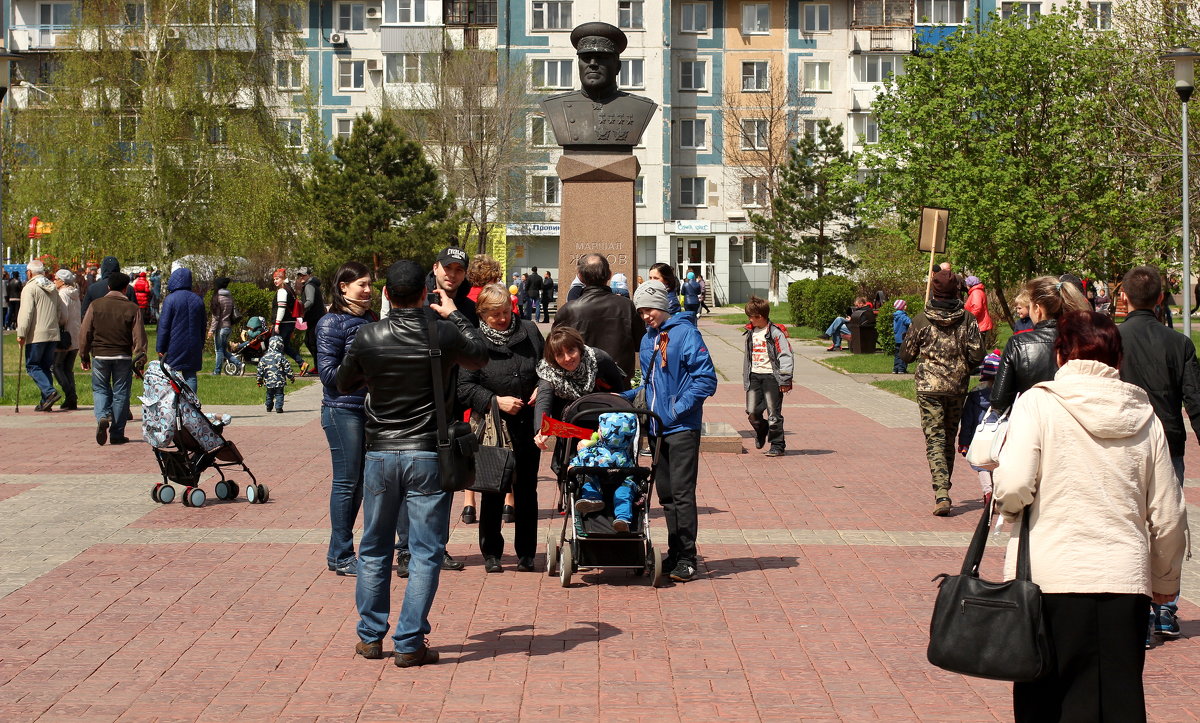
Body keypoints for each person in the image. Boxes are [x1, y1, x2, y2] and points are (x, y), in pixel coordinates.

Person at [993, 311, 1187, 722]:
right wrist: (1166, 580)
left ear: (1060, 356)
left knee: (1045, 698)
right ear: (1117, 360)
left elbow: (1012, 485)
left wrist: (1010, 510)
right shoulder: (1144, 414)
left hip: (1050, 577)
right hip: (1124, 580)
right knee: (1118, 699)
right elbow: (1168, 512)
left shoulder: (1038, 403)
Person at [335, 259, 488, 668]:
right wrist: (454, 314)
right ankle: (408, 641)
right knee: (425, 551)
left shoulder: (369, 336)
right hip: (426, 452)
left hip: (381, 451)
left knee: (373, 546)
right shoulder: (442, 331)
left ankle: (370, 637)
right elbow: (481, 356)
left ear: (386, 294)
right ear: (424, 294)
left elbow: (342, 382)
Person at [1117, 265, 1200, 641]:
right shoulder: (1178, 343)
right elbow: (1195, 401)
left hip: (1124, 442)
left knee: (1129, 524)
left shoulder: (1113, 339)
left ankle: (1138, 612)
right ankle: (1164, 608)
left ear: (1124, 298)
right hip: (1168, 443)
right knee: (1166, 527)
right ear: (1161, 299)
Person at [622, 280, 717, 582]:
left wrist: (676, 409)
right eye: (641, 312)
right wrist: (625, 397)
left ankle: (688, 557)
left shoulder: (685, 333)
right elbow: (652, 383)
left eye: (648, 310)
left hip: (682, 427)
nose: (645, 316)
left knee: (682, 493)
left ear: (661, 305)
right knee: (665, 496)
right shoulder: (650, 338)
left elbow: (706, 379)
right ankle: (675, 552)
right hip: (657, 428)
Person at [394, 246, 477, 575]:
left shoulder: (468, 309)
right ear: (436, 268)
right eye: (447, 268)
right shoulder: (419, 303)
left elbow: (476, 352)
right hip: (415, 407)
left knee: (446, 478)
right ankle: (404, 549)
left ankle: (435, 546)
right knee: (408, 480)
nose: (452, 274)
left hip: (452, 407)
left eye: (458, 269)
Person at [457, 284, 545, 573]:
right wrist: (495, 401)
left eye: (506, 312)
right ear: (482, 315)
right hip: (493, 426)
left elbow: (547, 368)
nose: (503, 319)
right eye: (495, 315)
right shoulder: (474, 340)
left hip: (527, 424)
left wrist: (541, 390)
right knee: (493, 490)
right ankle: (492, 553)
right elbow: (464, 386)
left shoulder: (530, 331)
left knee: (526, 489)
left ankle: (527, 553)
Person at [899, 269, 986, 516]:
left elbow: (906, 354)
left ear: (934, 290)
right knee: (948, 437)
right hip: (956, 386)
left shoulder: (920, 320)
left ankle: (941, 492)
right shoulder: (968, 320)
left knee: (934, 438)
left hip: (929, 387)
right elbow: (977, 355)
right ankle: (944, 487)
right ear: (956, 290)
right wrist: (963, 366)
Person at [316, 261, 377, 577]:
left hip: (368, 410)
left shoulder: (370, 320)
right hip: (342, 411)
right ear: (343, 287)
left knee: (362, 484)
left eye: (370, 285)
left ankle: (341, 552)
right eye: (362, 285)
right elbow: (327, 374)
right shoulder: (331, 323)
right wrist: (360, 361)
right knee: (346, 482)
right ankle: (340, 554)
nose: (368, 291)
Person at [989, 276, 1090, 415]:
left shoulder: (1017, 344)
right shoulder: (1083, 340)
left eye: (1029, 306)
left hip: (1029, 423)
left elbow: (998, 400)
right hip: (1073, 424)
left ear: (1037, 309)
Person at [551, 253, 644, 387]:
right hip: (617, 386)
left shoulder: (568, 310)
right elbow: (640, 342)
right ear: (609, 274)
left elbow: (554, 350)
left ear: (580, 277)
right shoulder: (626, 306)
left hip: (582, 389)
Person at [533, 326, 630, 453]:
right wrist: (541, 429)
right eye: (560, 355)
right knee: (570, 462)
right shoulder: (548, 370)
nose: (567, 358)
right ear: (553, 358)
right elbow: (544, 399)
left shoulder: (598, 359)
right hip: (569, 424)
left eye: (571, 351)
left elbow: (618, 389)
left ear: (580, 348)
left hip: (600, 420)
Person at [79, 272, 147, 446]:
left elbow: (85, 331)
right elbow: (139, 337)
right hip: (123, 356)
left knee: (100, 389)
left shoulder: (96, 305)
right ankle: (117, 433)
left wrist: (84, 355)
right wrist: (140, 361)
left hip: (100, 355)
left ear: (108, 286)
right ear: (126, 288)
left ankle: (102, 416)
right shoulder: (132, 308)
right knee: (121, 393)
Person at [570, 412, 640, 532]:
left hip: (602, 481)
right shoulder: (624, 454)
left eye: (600, 429)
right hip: (622, 482)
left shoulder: (607, 455)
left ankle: (592, 498)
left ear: (605, 433)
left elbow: (590, 463)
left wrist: (582, 452)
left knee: (589, 481)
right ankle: (622, 519)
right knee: (623, 496)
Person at [742, 295, 793, 457]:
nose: (750, 319)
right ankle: (762, 429)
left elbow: (786, 355)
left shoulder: (775, 333)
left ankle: (777, 445)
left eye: (752, 317)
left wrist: (784, 379)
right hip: (754, 377)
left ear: (761, 316)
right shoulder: (751, 332)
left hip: (771, 377)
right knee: (752, 412)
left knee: (773, 413)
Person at [16, 260, 66, 411]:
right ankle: (46, 401)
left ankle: (49, 392)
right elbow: (59, 311)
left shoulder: (30, 288)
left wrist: (21, 333)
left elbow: (26, 312)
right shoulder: (53, 288)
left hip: (36, 334)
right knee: (45, 366)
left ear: (30, 273)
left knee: (32, 366)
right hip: (52, 333)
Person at [955, 349, 1002, 509]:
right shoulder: (1005, 395)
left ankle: (987, 492)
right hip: (999, 437)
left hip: (978, 436)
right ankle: (996, 494)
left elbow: (967, 420)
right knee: (996, 464)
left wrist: (964, 442)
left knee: (982, 465)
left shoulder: (975, 395)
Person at [156, 267, 207, 393]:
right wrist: (201, 343)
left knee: (169, 375)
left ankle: (173, 404)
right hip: (193, 344)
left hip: (174, 344)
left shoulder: (170, 299)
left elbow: (164, 326)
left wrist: (160, 347)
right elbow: (203, 325)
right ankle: (191, 405)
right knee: (190, 375)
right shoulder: (198, 300)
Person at [52, 269, 82, 410]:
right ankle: (72, 399)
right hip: (75, 334)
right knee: (68, 369)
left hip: (65, 336)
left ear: (62, 281)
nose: (54, 280)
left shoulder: (62, 293)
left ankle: (70, 395)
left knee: (56, 366)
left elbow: (63, 316)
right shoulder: (75, 294)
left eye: (56, 278)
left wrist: (56, 323)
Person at [270, 267, 306, 372]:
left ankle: (279, 369)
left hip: (283, 323)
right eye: (274, 279)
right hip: (290, 322)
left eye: (277, 278)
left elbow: (281, 309)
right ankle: (302, 363)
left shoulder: (282, 291)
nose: (275, 281)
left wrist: (277, 324)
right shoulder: (290, 289)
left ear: (282, 278)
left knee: (275, 346)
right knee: (285, 346)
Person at [207, 277, 242, 376]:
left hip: (221, 328)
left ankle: (217, 371)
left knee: (219, 350)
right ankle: (238, 363)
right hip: (228, 327)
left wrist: (211, 330)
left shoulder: (217, 297)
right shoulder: (229, 296)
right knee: (222, 350)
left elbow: (216, 317)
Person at [297, 267, 326, 371]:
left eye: (303, 275)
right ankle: (318, 366)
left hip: (314, 319)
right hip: (316, 318)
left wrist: (300, 309)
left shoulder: (309, 285)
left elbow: (310, 301)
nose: (301, 277)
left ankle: (319, 367)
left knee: (312, 342)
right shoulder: (312, 284)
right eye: (300, 275)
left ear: (309, 275)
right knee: (311, 342)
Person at [256, 335, 295, 412]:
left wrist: (259, 379)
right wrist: (291, 377)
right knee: (279, 394)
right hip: (279, 380)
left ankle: (268, 406)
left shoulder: (264, 357)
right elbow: (287, 368)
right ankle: (278, 407)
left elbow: (260, 369)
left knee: (269, 393)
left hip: (268, 380)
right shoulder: (281, 357)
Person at [963, 275, 995, 349]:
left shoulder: (976, 292)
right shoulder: (978, 292)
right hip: (981, 324)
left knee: (977, 350)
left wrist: (969, 319)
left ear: (970, 284)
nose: (966, 286)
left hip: (980, 325)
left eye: (967, 284)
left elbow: (977, 308)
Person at [892, 299, 911, 374]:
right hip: (903, 337)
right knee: (904, 354)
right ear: (902, 307)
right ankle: (901, 369)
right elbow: (909, 322)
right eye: (905, 305)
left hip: (897, 338)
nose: (906, 306)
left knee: (897, 354)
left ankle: (895, 368)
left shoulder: (896, 315)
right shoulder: (902, 315)